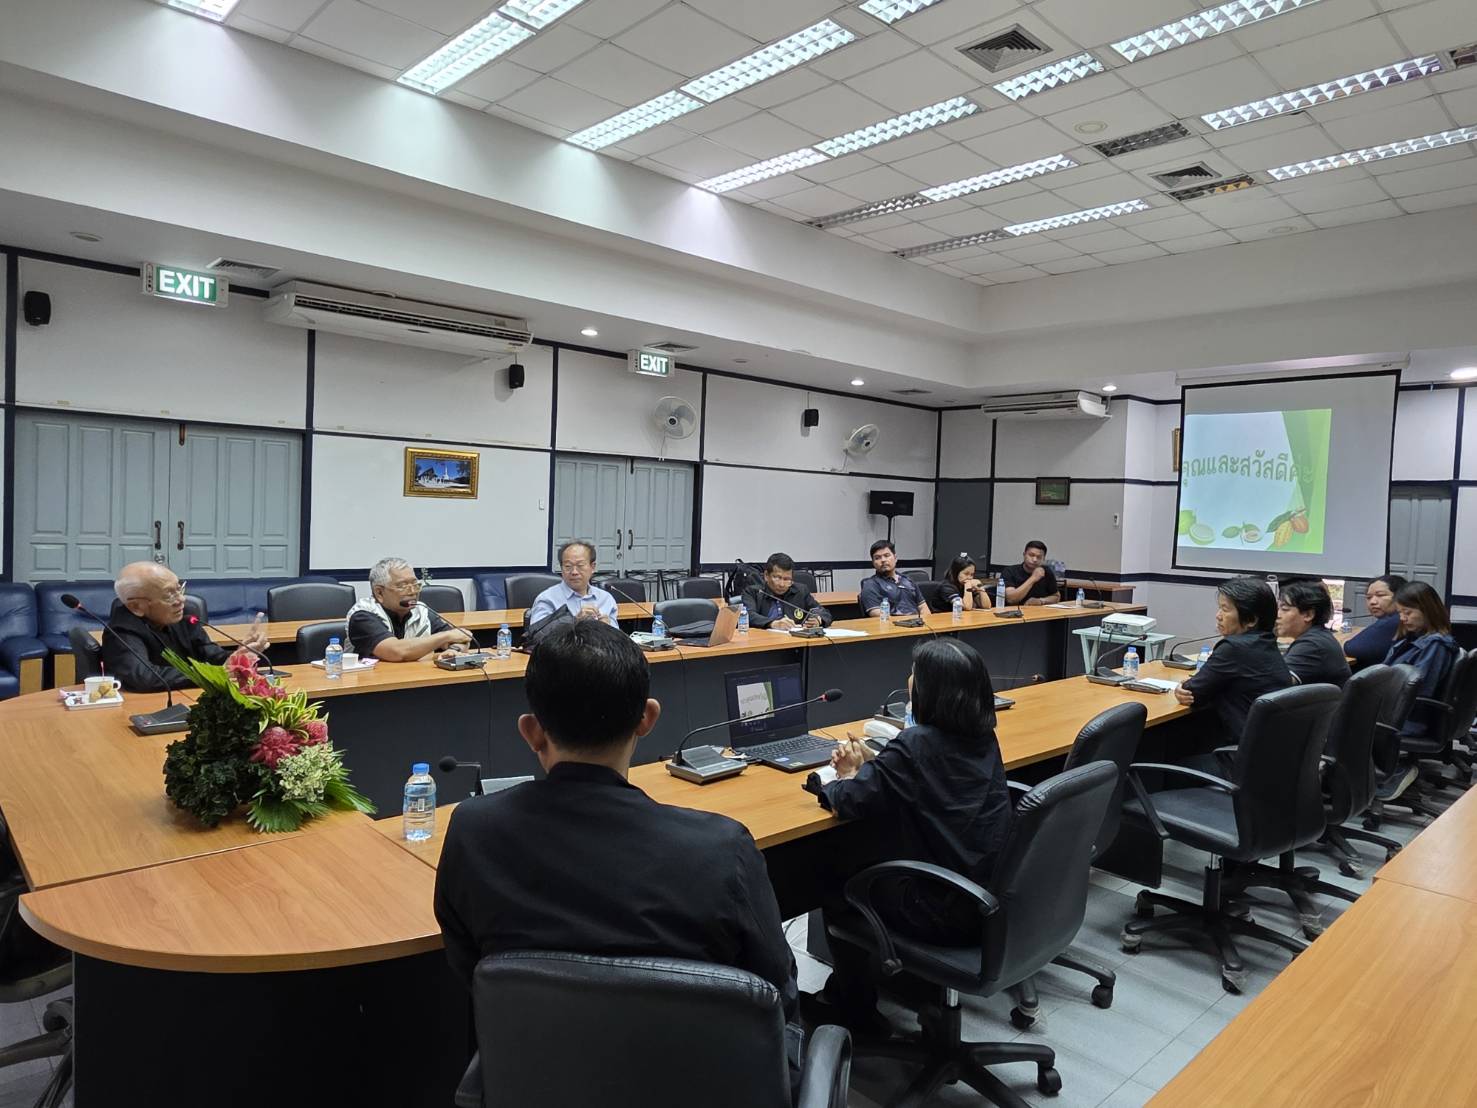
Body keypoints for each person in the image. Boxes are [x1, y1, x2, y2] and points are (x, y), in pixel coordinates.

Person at [433, 620, 800, 1082]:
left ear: (531, 732)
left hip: (539, 1078)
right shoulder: (722, 848)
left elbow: (470, 968)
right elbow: (777, 992)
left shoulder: (473, 830)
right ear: (648, 718)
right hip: (695, 1081)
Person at [803, 638, 1012, 1030]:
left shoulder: (916, 745)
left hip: (938, 909)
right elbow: (927, 777)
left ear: (934, 691)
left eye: (915, 675)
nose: (909, 680)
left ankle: (854, 1006)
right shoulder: (982, 736)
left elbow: (846, 799)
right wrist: (878, 763)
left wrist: (841, 777)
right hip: (985, 899)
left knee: (832, 877)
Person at [102, 562, 267, 691]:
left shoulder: (185, 616)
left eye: (179, 589)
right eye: (169, 595)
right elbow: (144, 677)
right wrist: (215, 673)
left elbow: (209, 654)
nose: (181, 600)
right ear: (137, 607)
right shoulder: (121, 630)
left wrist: (238, 657)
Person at [1174, 576, 1295, 749]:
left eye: (1225, 609)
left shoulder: (1233, 647)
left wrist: (1183, 686)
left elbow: (1193, 693)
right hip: (1271, 752)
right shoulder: (1267, 641)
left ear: (1251, 620)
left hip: (1238, 754)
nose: (1218, 616)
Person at [346, 557, 472, 661]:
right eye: (402, 586)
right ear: (379, 592)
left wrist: (453, 651)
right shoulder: (362, 615)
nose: (413, 591)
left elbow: (460, 638)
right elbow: (396, 652)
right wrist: (446, 636)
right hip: (369, 681)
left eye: (415, 584)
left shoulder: (421, 610)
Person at [1383, 581, 1460, 740]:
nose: (1402, 618)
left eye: (1407, 612)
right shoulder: (1414, 638)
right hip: (1394, 713)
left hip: (1405, 720)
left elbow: (1419, 689)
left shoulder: (1436, 646)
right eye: (1399, 613)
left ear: (1427, 610)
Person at [1277, 579, 1351, 688]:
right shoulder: (1319, 636)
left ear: (1308, 615)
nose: (1277, 615)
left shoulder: (1311, 645)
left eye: (1284, 609)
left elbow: (1274, 685)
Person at [528, 541, 619, 625]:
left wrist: (608, 629)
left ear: (592, 567)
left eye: (580, 565)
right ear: (561, 568)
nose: (574, 572)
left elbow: (617, 636)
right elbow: (538, 634)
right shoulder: (547, 599)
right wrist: (575, 622)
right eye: (568, 566)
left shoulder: (606, 599)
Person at [741, 552, 831, 630]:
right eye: (777, 578)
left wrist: (818, 619)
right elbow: (749, 615)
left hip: (795, 641)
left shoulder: (801, 591)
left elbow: (822, 612)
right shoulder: (753, 592)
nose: (782, 584)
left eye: (787, 579)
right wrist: (773, 623)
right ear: (766, 575)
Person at [1345, 574, 1408, 670]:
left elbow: (1350, 649)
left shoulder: (1397, 620)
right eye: (1368, 597)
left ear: (1400, 596)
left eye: (1380, 595)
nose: (1372, 602)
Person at [858, 539, 930, 617]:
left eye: (886, 555)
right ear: (873, 563)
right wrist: (908, 621)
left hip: (917, 622)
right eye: (877, 558)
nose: (883, 560)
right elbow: (877, 615)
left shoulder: (908, 580)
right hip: (892, 624)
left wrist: (922, 620)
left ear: (895, 558)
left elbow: (923, 607)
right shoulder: (871, 585)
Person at [1001, 540, 1061, 606]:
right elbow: (1011, 599)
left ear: (1043, 559)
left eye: (1039, 557)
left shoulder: (1046, 571)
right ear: (1024, 555)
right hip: (1014, 611)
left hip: (1039, 611)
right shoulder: (1010, 571)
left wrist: (1041, 601)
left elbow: (1056, 597)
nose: (1035, 559)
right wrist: (1033, 578)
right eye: (1031, 555)